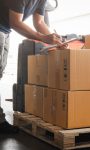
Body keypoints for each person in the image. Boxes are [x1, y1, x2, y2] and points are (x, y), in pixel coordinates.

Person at [0, 0, 66, 133]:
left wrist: (55, 41)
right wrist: (43, 38)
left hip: (5, 30)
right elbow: (16, 22)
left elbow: (39, 22)